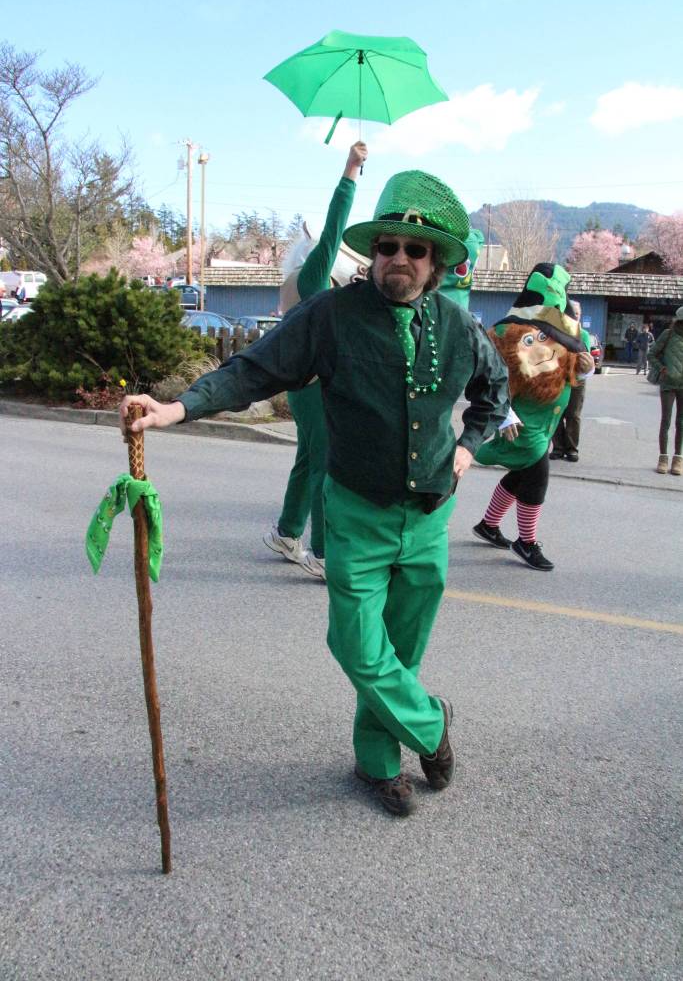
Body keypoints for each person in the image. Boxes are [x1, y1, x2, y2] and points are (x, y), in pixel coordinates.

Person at [119, 170, 510, 818]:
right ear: (374, 252)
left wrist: (468, 446)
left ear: (435, 262)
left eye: (415, 249)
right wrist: (178, 409)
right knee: (356, 646)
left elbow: (494, 394)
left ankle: (376, 763)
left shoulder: (458, 325)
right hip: (355, 514)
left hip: (428, 517)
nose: (399, 258)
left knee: (399, 652)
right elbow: (254, 370)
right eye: (387, 246)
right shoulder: (331, 315)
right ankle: (431, 724)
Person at [263, 142, 368, 581]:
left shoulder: (298, 283)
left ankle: (288, 533)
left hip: (301, 386)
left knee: (308, 460)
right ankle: (323, 554)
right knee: (325, 467)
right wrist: (351, 171)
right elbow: (333, 230)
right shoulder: (312, 277)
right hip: (314, 387)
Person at [471, 264, 594, 571]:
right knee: (537, 478)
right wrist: (503, 413)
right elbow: (487, 377)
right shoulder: (508, 332)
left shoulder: (565, 332)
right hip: (521, 423)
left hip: (545, 422)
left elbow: (570, 372)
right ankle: (526, 542)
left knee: (521, 475)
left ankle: (488, 524)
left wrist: (585, 369)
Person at [549, 300, 593, 463]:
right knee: (557, 413)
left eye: (577, 313)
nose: (575, 316)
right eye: (572, 313)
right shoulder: (557, 332)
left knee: (573, 415)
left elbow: (583, 358)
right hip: (558, 378)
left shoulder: (584, 335)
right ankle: (558, 448)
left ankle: (572, 449)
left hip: (577, 380)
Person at [649, 306, 683, 475]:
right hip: (668, 384)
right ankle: (663, 458)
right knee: (666, 421)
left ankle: (678, 459)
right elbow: (651, 354)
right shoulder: (668, 334)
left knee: (681, 423)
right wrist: (662, 369)